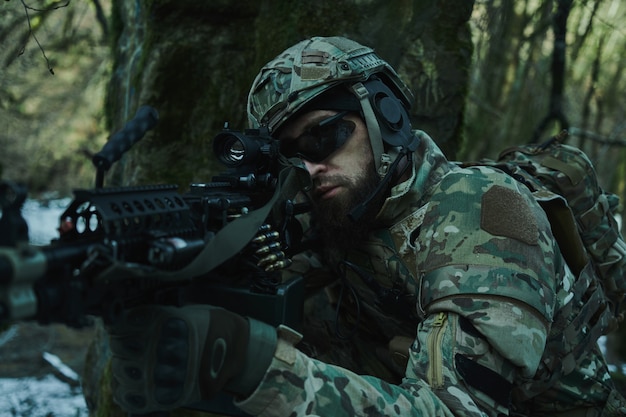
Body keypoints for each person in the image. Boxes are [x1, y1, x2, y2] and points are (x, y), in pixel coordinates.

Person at [108, 36, 626, 417]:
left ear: (387, 117)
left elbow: (455, 412)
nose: (308, 170)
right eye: (290, 156)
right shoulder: (344, 216)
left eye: (324, 137)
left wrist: (255, 364)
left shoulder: (484, 216)